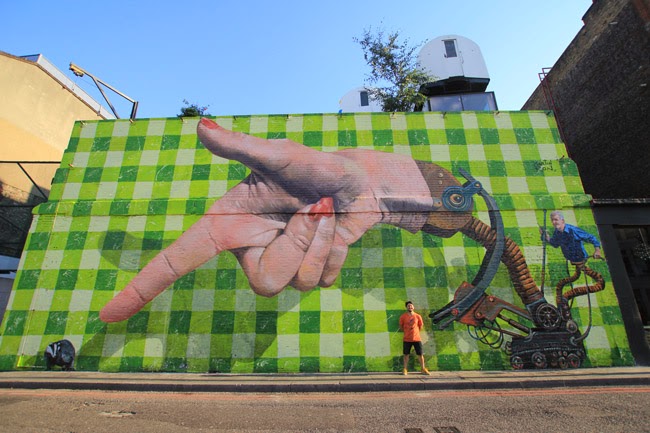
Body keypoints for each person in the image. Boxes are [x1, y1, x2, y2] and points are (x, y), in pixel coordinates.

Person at [99, 118, 476, 323]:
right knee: (271, 278)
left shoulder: (333, 180)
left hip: (427, 197)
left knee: (278, 275)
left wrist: (373, 186)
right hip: (416, 198)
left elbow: (357, 185)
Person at [398, 301, 430, 375]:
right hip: (407, 339)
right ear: (406, 307)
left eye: (411, 306)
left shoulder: (418, 316)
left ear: (413, 307)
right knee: (406, 354)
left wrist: (415, 332)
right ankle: (405, 369)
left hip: (417, 339)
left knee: (420, 354)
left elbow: (420, 326)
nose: (410, 307)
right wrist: (407, 332)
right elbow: (401, 326)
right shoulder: (403, 316)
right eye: (408, 306)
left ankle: (423, 369)